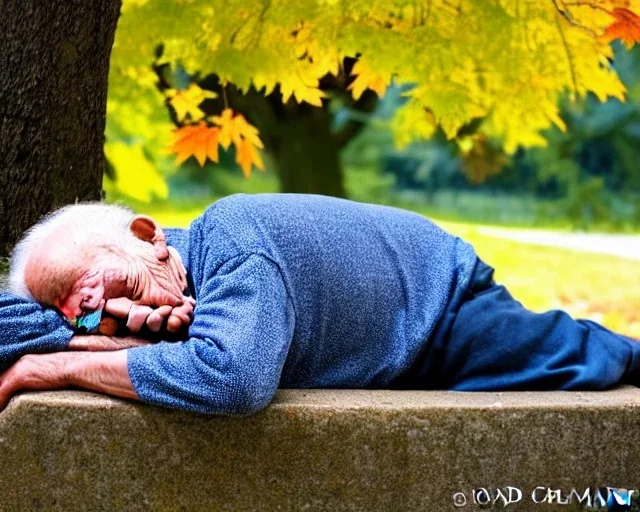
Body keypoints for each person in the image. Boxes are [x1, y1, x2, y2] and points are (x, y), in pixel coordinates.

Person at [0, 194, 638, 415]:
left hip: (437, 306)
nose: (101, 311)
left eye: (110, 288)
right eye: (79, 312)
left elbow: (231, 379)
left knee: (585, 361)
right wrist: (102, 334)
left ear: (149, 237)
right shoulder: (155, 292)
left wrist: (54, 366)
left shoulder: (232, 239)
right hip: (375, 350)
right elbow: (20, 325)